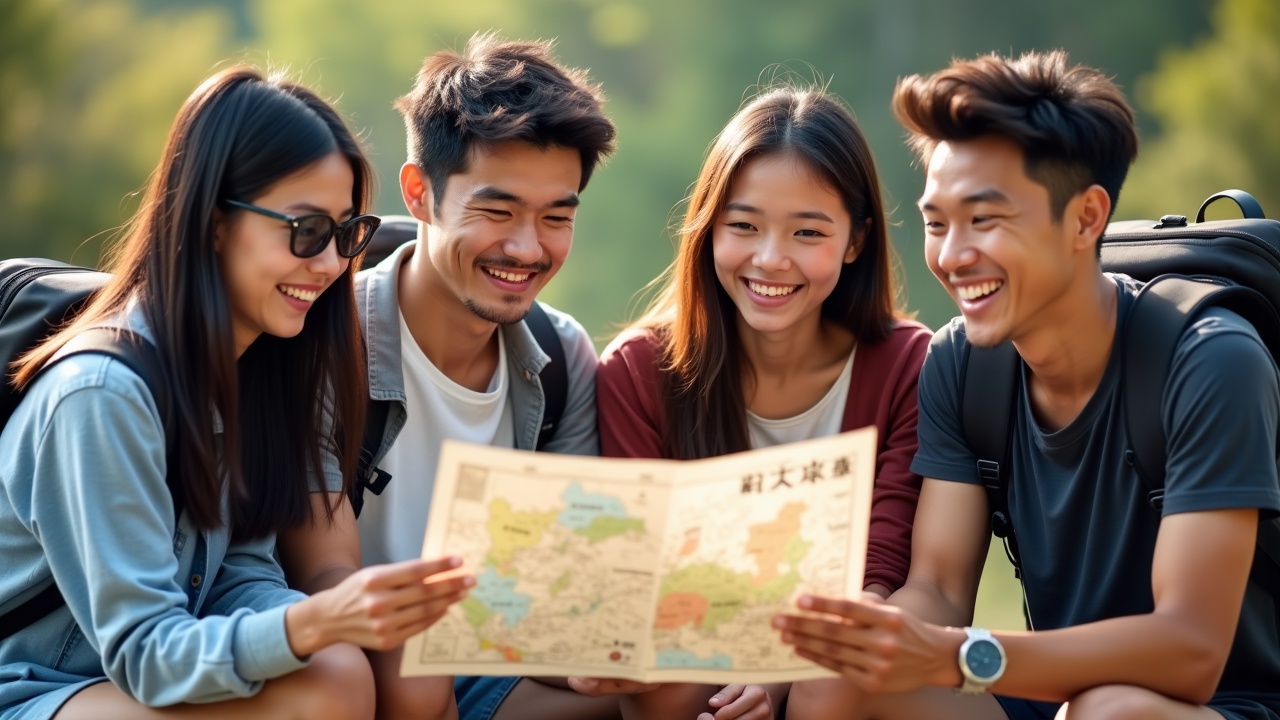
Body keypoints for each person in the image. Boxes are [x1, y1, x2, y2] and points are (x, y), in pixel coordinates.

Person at [774, 50, 1280, 719]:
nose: (951, 256)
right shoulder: (962, 363)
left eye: (985, 220)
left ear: (1085, 219)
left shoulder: (1211, 361)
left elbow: (1190, 648)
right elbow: (937, 587)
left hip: (1220, 704)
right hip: (1055, 695)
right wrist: (873, 634)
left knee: (1111, 712)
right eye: (935, 223)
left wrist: (954, 655)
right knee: (835, 681)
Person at [0, 68, 473, 720]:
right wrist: (311, 624)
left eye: (346, 234)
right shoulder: (102, 393)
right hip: (36, 685)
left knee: (339, 675)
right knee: (324, 686)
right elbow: (143, 651)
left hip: (141, 680)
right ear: (216, 221)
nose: (332, 264)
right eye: (306, 231)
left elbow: (236, 575)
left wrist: (332, 620)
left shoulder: (253, 367)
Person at [276, 33, 620, 720]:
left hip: (496, 662)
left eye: (556, 217)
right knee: (410, 671)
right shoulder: (319, 342)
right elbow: (325, 574)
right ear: (420, 193)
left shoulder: (561, 356)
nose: (527, 247)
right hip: (356, 668)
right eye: (497, 212)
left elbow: (564, 577)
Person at [589, 85, 931, 719]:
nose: (771, 260)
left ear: (856, 241)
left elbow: (881, 572)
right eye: (743, 226)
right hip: (695, 664)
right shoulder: (641, 372)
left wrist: (778, 675)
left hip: (842, 668)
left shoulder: (909, 366)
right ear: (708, 228)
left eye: (807, 232)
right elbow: (644, 580)